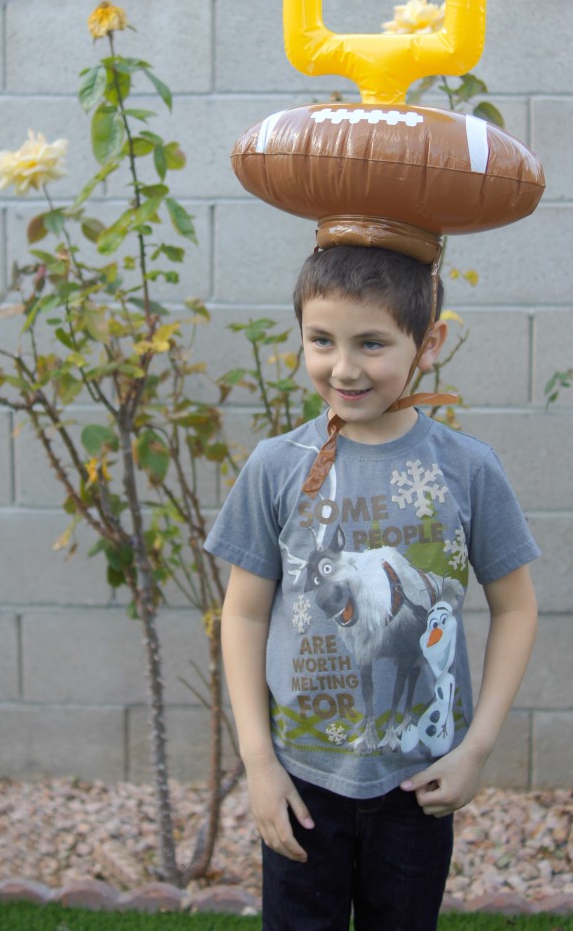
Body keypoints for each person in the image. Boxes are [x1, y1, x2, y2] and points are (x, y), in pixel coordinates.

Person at [205, 245, 539, 931]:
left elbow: (517, 607)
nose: (344, 367)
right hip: (301, 779)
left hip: (417, 785)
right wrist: (258, 760)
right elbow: (241, 617)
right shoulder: (277, 467)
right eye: (321, 340)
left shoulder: (467, 470)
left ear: (429, 342)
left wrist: (475, 747)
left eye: (372, 343)